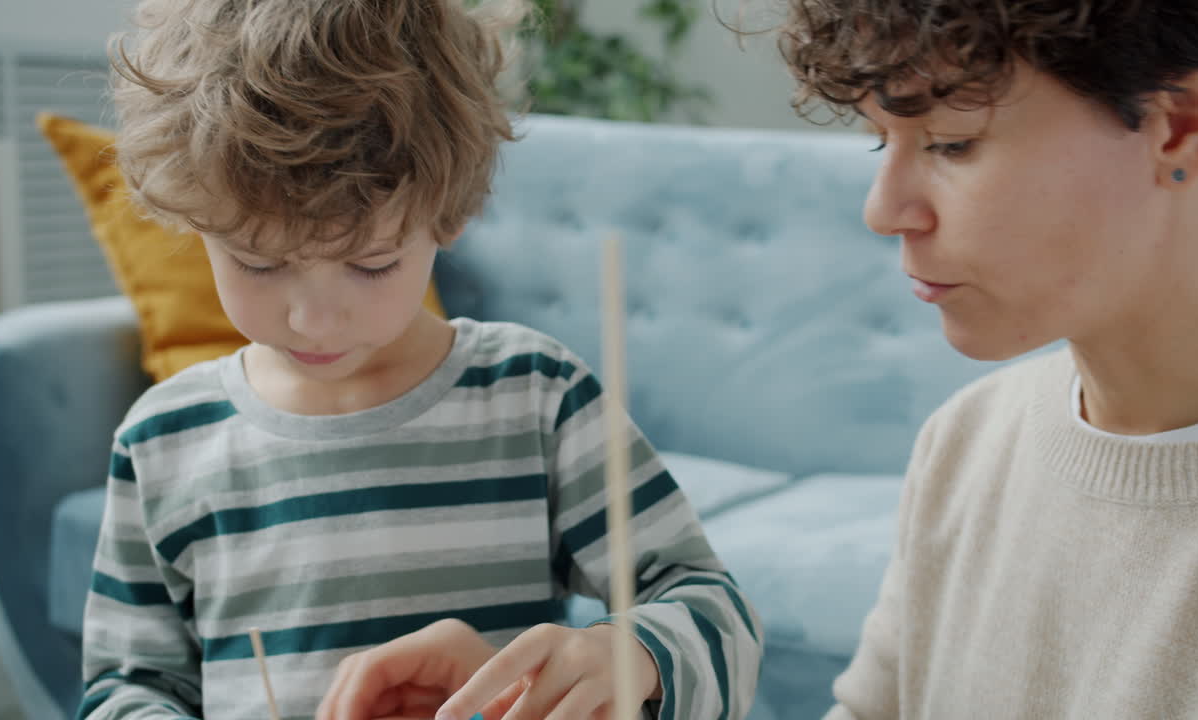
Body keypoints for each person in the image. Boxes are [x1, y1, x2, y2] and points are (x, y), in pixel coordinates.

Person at [79, 1, 762, 719]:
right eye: (257, 261)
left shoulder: (535, 398)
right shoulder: (161, 440)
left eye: (371, 263)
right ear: (197, 219)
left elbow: (715, 612)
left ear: (452, 211)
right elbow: (129, 686)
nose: (312, 317)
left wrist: (629, 656)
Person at [772, 1, 1198, 718]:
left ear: (1184, 123)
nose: (883, 211)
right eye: (884, 141)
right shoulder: (966, 440)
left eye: (950, 144)